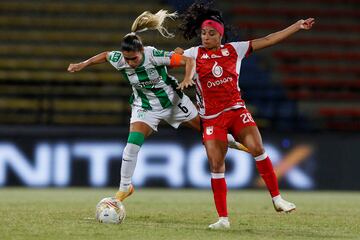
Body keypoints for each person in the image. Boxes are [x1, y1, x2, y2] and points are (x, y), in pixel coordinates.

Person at [67, 10, 249, 202]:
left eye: (134, 59)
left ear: (142, 51)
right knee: (131, 146)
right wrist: (82, 64)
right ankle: (124, 188)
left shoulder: (153, 55)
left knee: (207, 131)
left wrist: (187, 78)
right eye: (126, 59)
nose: (129, 63)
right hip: (145, 107)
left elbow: (188, 60)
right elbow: (105, 55)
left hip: (173, 102)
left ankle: (235, 142)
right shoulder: (119, 59)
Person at [176, 2, 315, 229]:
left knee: (258, 148)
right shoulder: (194, 54)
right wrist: (177, 56)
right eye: (203, 33)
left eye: (211, 33)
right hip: (211, 119)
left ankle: (277, 199)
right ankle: (223, 219)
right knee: (216, 165)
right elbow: (177, 57)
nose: (206, 37)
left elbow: (269, 39)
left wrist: (297, 26)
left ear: (220, 35)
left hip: (236, 111)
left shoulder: (234, 49)